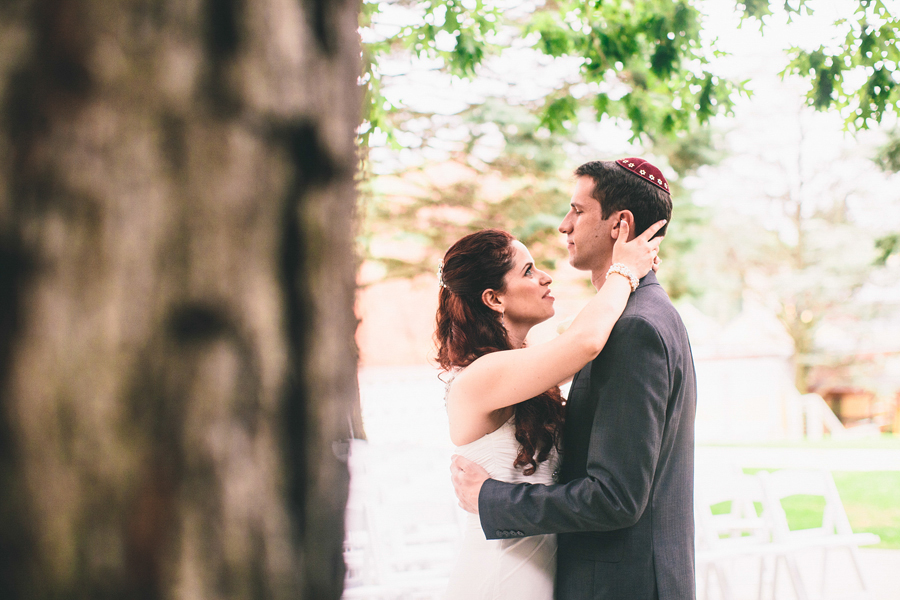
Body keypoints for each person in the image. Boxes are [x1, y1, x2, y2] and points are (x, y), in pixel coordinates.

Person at [450, 158, 697, 600]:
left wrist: (492, 499)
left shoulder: (631, 328)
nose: (564, 226)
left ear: (620, 226)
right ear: (492, 299)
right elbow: (580, 343)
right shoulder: (622, 322)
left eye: (578, 211)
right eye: (526, 271)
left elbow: (615, 496)